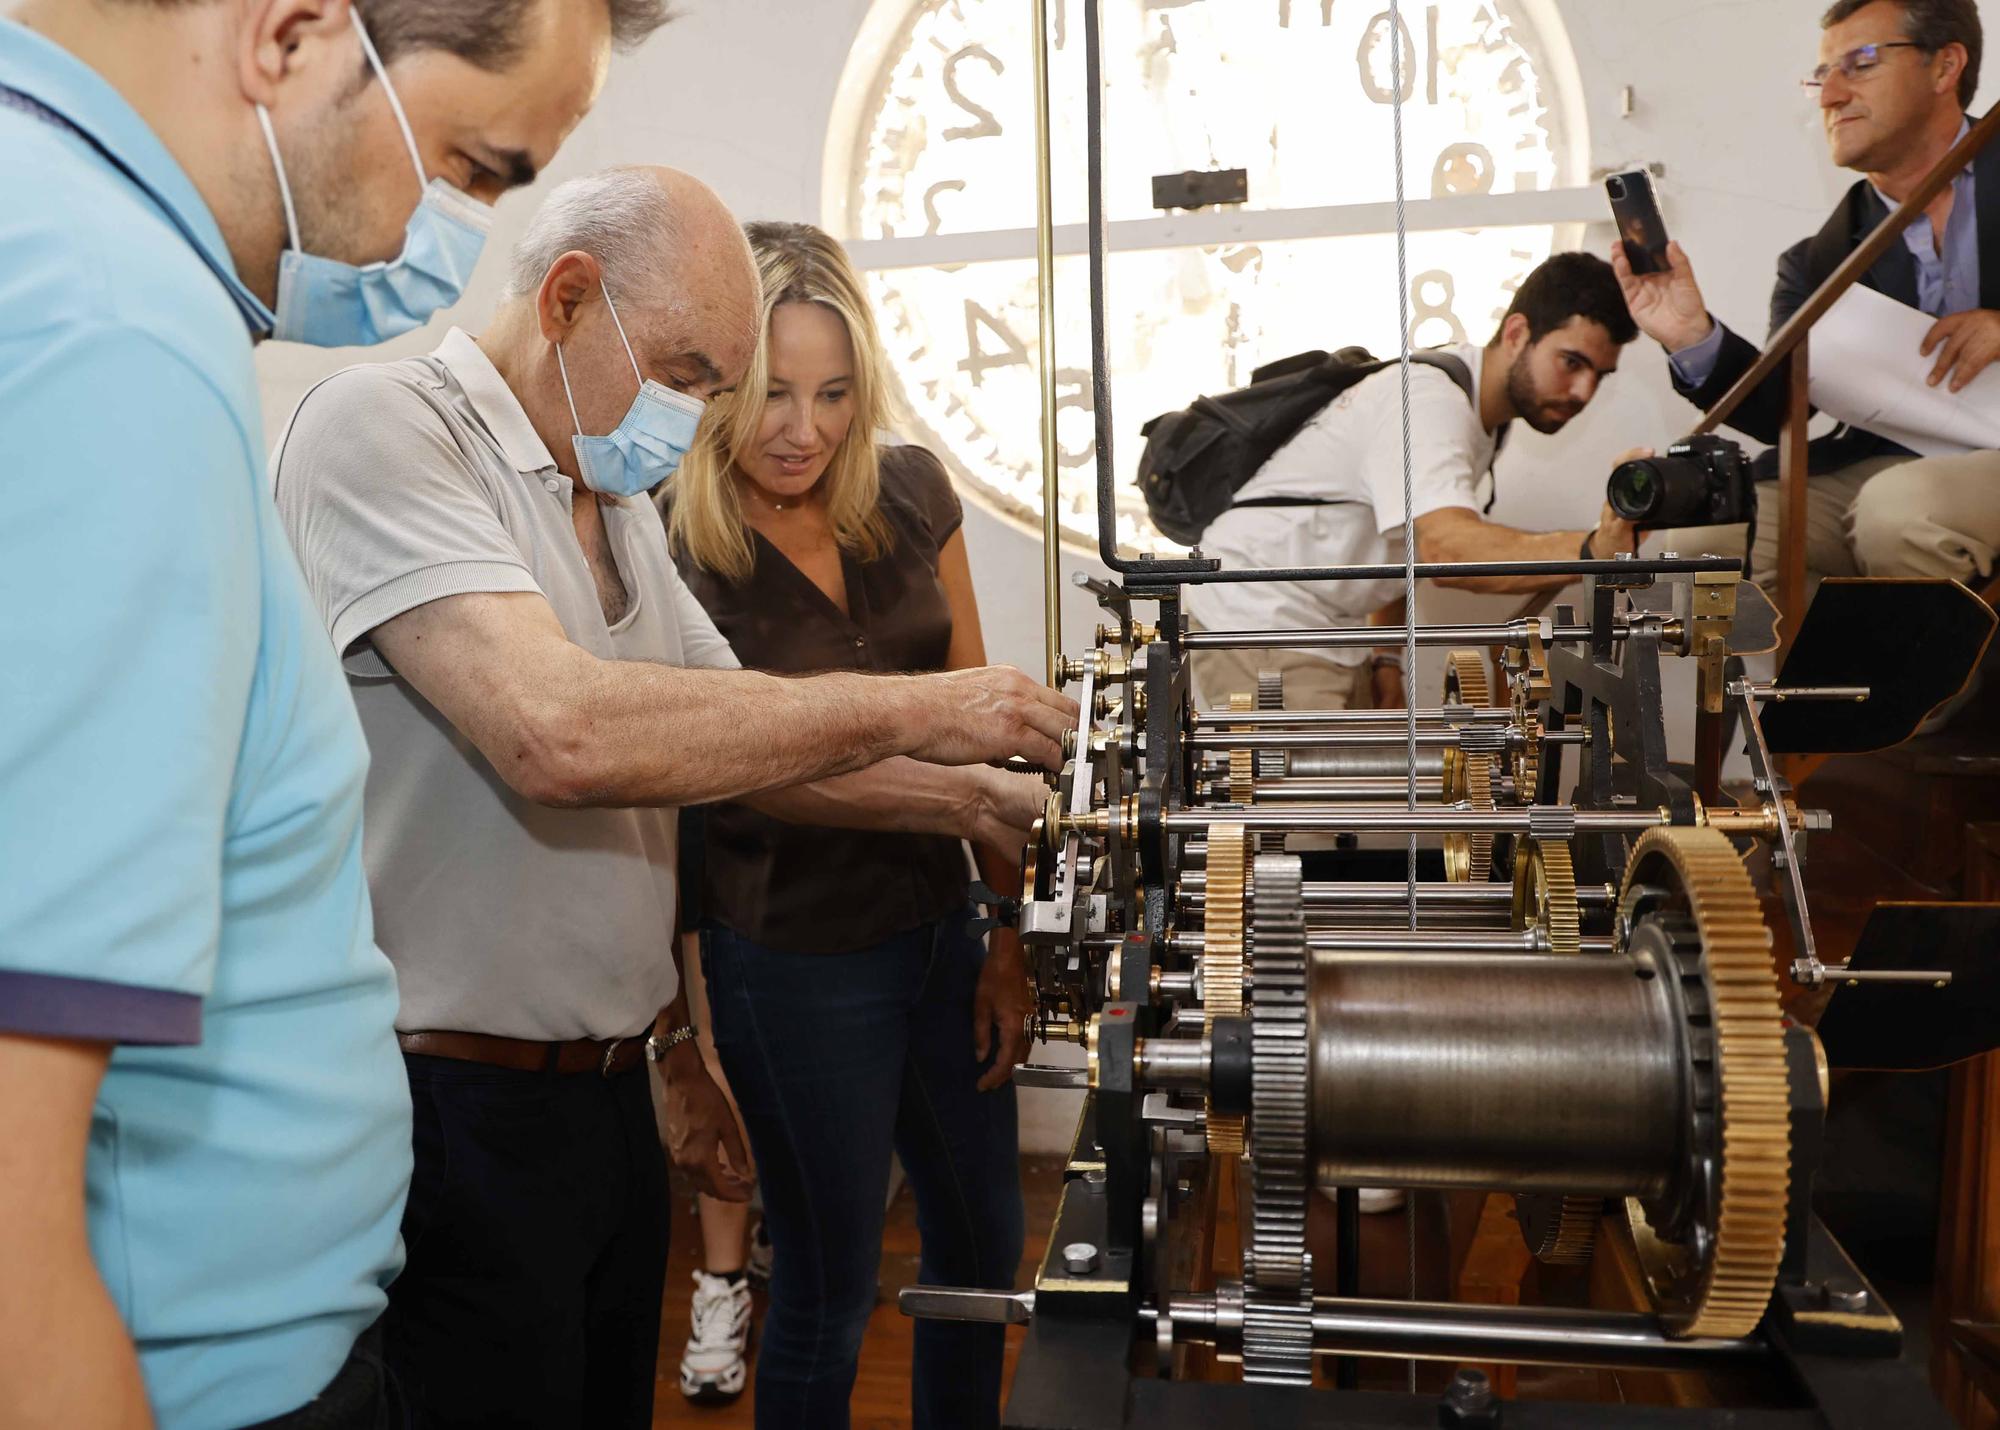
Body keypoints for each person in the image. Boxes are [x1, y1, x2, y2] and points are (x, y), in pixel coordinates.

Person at [271, 167, 1065, 1429]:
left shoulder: (614, 502)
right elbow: (559, 731)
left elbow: (757, 737)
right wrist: (929, 705)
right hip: (450, 1103)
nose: (704, 416)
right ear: (572, 301)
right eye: (693, 374)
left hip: (601, 1099)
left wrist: (976, 801)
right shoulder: (382, 429)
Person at [0, 0, 654, 1425]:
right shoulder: (114, 333)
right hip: (194, 1368)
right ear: (290, 37)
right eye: (473, 167)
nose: (447, 238)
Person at [664, 220, 1031, 1430]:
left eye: (831, 394)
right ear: (722, 384)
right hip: (793, 958)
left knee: (980, 1246)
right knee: (826, 1285)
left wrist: (1008, 936)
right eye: (771, 393)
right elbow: (735, 773)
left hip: (941, 930)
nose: (801, 429)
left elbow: (977, 716)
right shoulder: (674, 537)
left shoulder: (913, 488)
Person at [1617, 0, 2000, 595]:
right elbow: (1779, 412)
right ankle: (1827, 689)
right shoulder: (1818, 260)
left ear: (1945, 66)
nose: (1830, 97)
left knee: (1898, 512)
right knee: (1704, 542)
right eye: (1822, 76)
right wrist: (1690, 333)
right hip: (1890, 463)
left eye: (1861, 64)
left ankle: (1931, 691)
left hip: (1926, 486)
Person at [1183, 252, 1643, 710]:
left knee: (1379, 779)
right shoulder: (1430, 402)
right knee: (1329, 782)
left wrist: (1386, 655)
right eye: (1571, 363)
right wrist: (1592, 550)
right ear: (1517, 332)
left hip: (1330, 628)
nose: (1583, 391)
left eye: (1599, 376)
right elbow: (1447, 550)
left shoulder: (1478, 412)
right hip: (1260, 617)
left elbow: (1406, 538)